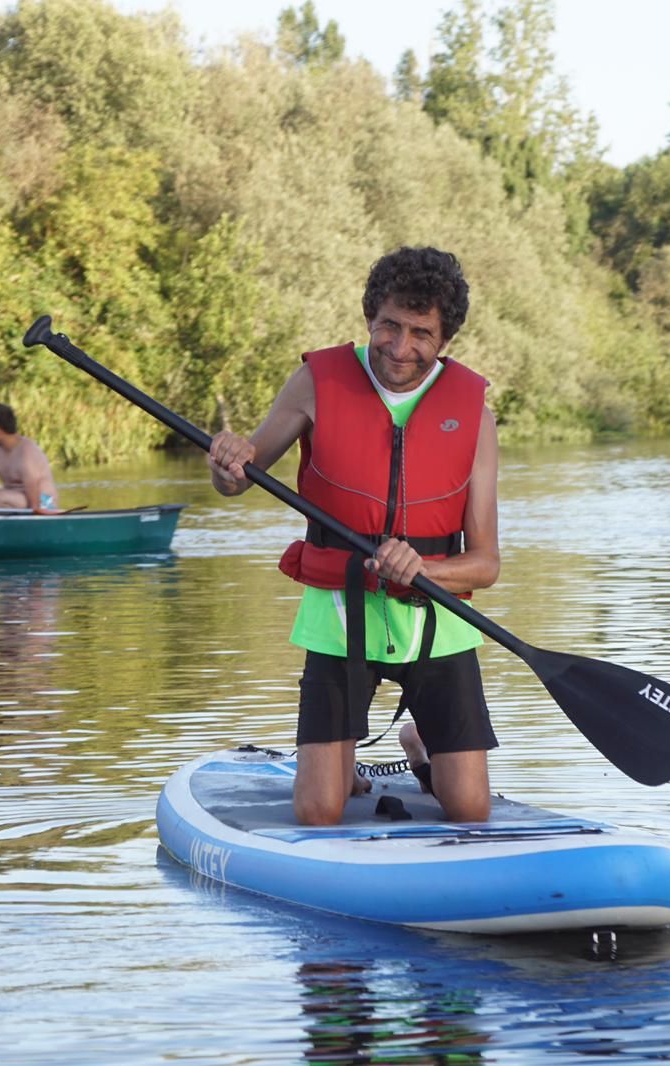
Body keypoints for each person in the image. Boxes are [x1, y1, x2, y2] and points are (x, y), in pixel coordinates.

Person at [207, 246, 501, 826]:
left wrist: (424, 570)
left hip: (435, 624)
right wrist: (226, 463)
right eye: (389, 325)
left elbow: (486, 563)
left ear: (444, 339)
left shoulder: (474, 415)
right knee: (319, 811)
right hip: (340, 615)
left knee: (470, 809)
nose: (400, 346)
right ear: (370, 315)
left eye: (421, 332)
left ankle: (419, 749)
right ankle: (340, 768)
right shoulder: (316, 383)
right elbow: (238, 481)